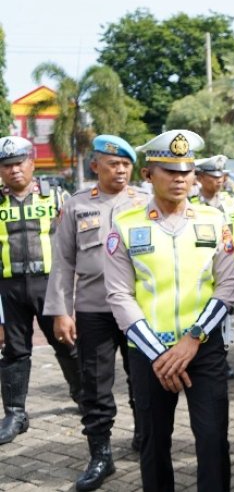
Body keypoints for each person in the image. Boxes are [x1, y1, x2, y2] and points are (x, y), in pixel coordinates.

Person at [104, 130, 234, 492]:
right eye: (169, 170)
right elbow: (119, 295)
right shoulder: (126, 226)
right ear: (148, 175)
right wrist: (160, 354)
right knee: (153, 444)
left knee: (212, 441)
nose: (180, 179)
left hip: (203, 348)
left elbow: (227, 286)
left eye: (186, 170)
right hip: (150, 356)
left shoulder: (213, 220)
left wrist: (192, 340)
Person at [43, 135, 149, 490]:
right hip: (93, 310)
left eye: (125, 165)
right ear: (95, 166)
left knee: (142, 379)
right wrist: (61, 311)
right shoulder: (75, 205)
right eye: (112, 164)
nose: (120, 170)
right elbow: (63, 263)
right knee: (96, 386)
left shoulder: (147, 202)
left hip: (138, 310)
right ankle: (101, 455)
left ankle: (144, 437)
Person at [0, 136, 80, 446]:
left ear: (32, 163)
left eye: (19, 163)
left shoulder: (58, 198)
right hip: (8, 288)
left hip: (50, 284)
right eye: (7, 166)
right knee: (14, 352)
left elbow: (76, 246)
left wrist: (71, 297)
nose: (14, 170)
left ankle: (84, 398)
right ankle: (16, 414)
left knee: (67, 342)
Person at [191, 154, 234, 379]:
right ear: (200, 177)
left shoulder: (232, 201)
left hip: (230, 272)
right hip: (200, 274)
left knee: (228, 317)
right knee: (202, 317)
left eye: (221, 176)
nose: (218, 181)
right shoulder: (190, 204)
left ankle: (222, 358)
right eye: (213, 176)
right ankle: (200, 357)